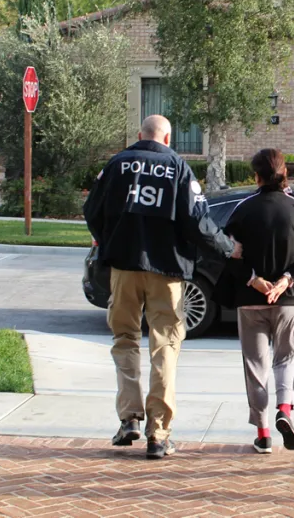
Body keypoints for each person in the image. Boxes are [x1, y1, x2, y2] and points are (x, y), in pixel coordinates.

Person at [84, 115, 241, 460]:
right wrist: (229, 249)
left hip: (124, 267)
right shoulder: (179, 168)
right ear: (167, 138)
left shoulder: (116, 165)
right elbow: (198, 222)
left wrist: (110, 240)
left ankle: (129, 419)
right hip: (167, 271)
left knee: (124, 339)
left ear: (140, 135)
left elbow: (91, 210)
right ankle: (158, 433)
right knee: (165, 346)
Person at [222, 148, 294, 454]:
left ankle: (264, 432)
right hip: (289, 300)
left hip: (250, 299)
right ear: (286, 174)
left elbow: (227, 252)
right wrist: (288, 279)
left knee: (256, 364)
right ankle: (285, 409)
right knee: (287, 358)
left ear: (256, 176)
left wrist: (253, 278)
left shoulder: (242, 210)